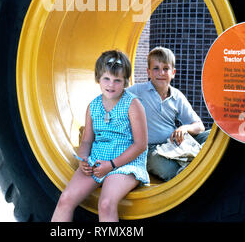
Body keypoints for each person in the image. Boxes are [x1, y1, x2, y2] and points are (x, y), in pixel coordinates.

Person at [51, 50, 149, 222]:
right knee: (65, 199)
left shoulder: (133, 104)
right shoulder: (93, 106)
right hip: (97, 160)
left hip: (125, 162)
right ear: (98, 78)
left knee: (105, 204)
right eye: (106, 79)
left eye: (117, 80)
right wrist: (83, 159)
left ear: (125, 81)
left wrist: (111, 165)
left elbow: (141, 144)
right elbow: (87, 140)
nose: (111, 85)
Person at [128, 46, 210, 181]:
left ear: (173, 72)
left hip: (174, 142)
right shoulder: (137, 91)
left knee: (213, 134)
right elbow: (113, 98)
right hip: (150, 149)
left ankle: (200, 163)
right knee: (166, 167)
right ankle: (188, 174)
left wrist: (184, 128)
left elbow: (199, 126)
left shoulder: (177, 96)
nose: (161, 73)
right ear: (148, 72)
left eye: (166, 69)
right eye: (156, 68)